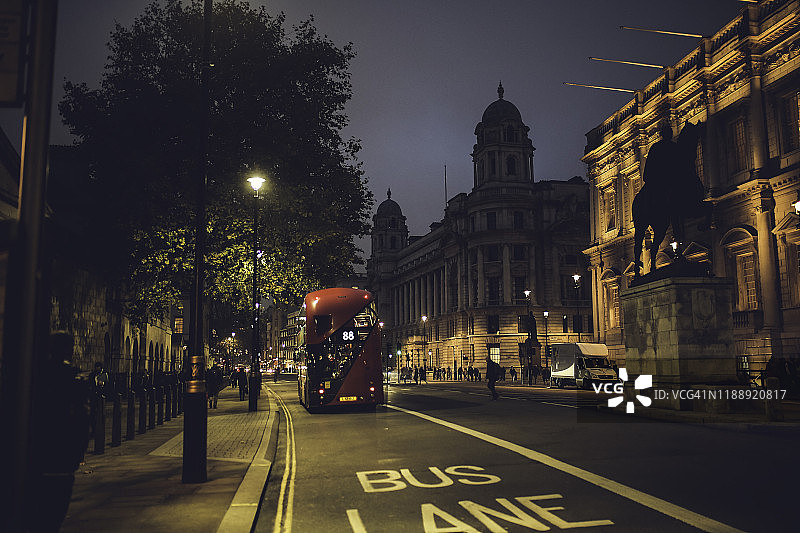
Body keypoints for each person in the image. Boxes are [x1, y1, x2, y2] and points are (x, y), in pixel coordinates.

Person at [28, 332, 90, 532]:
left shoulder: (35, 373)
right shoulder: (71, 376)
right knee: (56, 509)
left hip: (38, 451)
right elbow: (81, 417)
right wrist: (80, 450)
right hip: (64, 454)